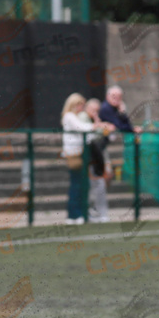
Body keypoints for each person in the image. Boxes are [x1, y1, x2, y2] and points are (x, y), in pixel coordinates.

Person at [60, 93, 112, 225]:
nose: (82, 108)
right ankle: (74, 215)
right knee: (76, 185)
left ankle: (78, 214)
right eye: (80, 105)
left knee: (80, 184)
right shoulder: (69, 116)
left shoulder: (73, 116)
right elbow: (82, 128)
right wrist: (99, 125)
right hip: (74, 153)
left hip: (80, 152)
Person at [81, 98, 114, 223]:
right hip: (90, 158)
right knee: (96, 185)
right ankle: (95, 212)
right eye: (92, 110)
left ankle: (98, 212)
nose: (95, 113)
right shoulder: (83, 118)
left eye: (97, 110)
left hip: (97, 157)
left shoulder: (94, 119)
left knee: (100, 184)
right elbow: (92, 137)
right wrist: (99, 125)